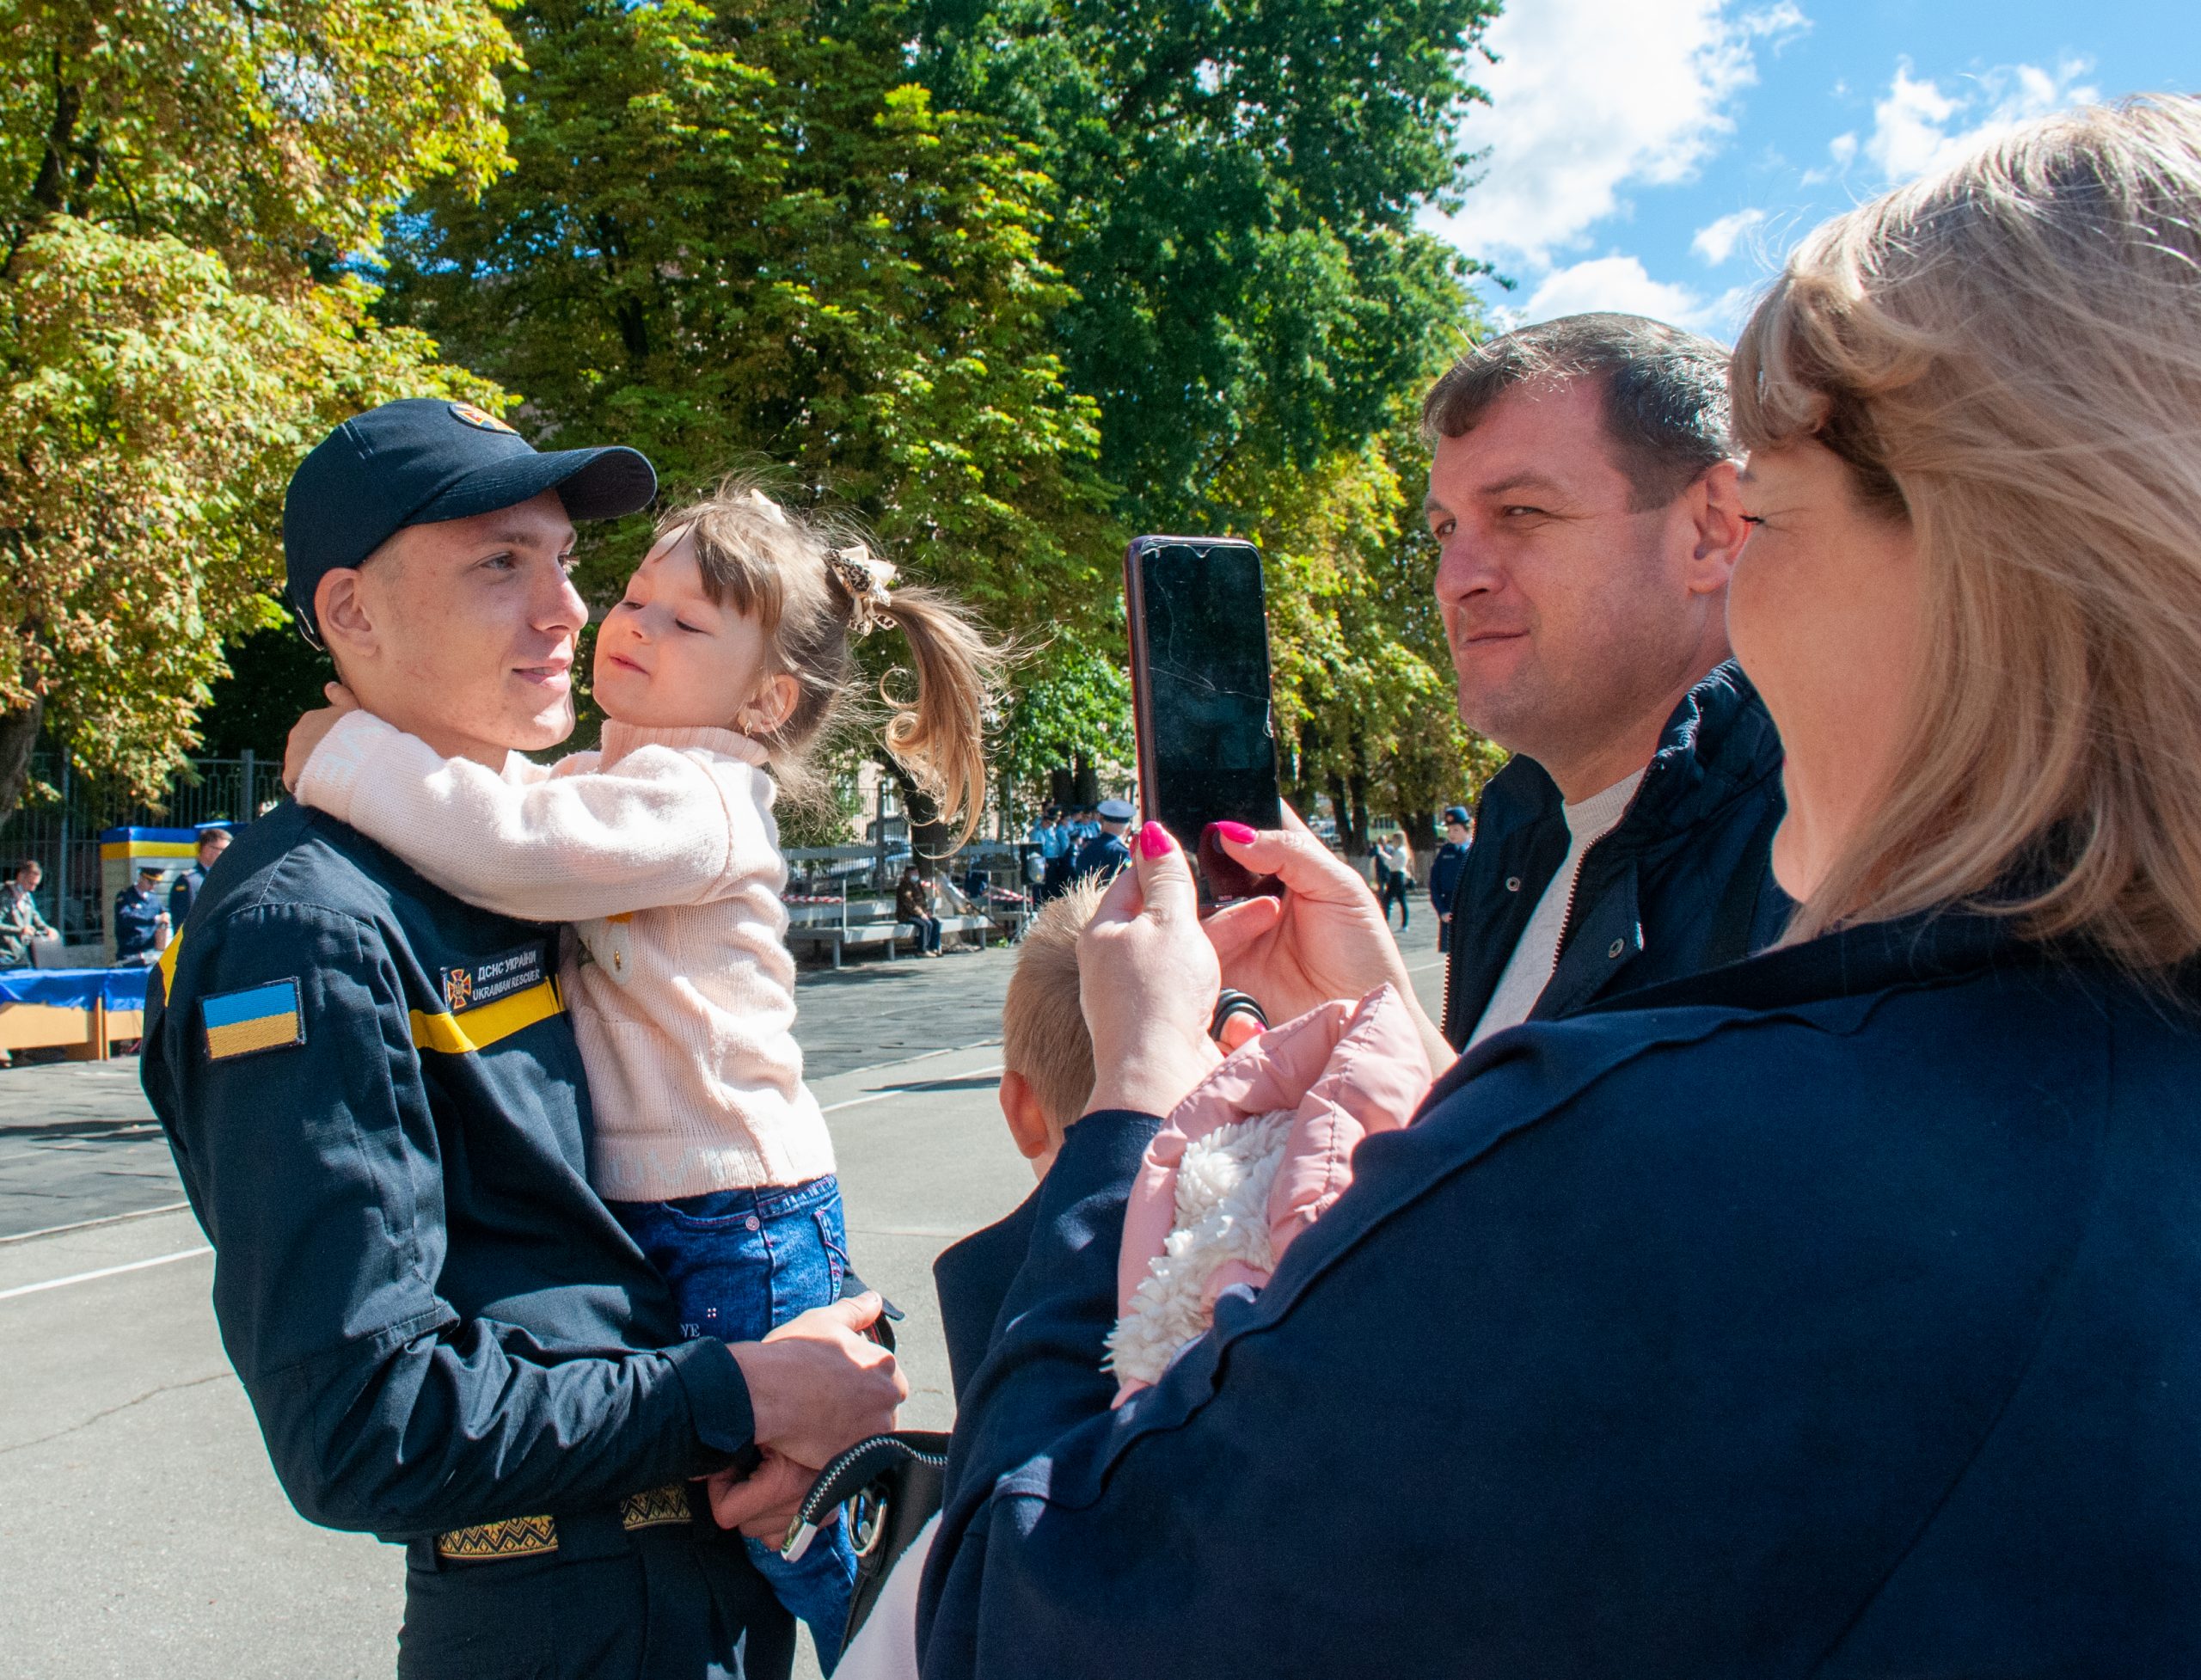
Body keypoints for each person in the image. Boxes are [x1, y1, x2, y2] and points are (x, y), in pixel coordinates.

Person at [918, 98, 2201, 1676]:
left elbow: (1031, 1610)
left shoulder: (1700, 1121)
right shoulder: (1530, 840)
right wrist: (1404, 1048)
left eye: (1775, 515)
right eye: (1444, 527)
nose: (1458, 571)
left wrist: (1123, 1108)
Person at [142, 399, 904, 1680]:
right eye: (501, 561)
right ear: (353, 615)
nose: (567, 610)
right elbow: (364, 1423)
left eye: (563, 559)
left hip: (700, 1572)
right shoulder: (307, 927)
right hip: (561, 1617)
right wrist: (747, 1391)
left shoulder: (525, 867)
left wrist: (815, 1365)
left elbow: (645, 1211)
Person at [283, 480, 997, 1668]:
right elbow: (513, 805)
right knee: (758, 1495)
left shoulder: (702, 797)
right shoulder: (625, 782)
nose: (628, 622)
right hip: (697, 1202)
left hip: (732, 1209)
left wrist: (346, 752)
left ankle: (930, 1637)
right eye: (635, 594)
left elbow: (504, 844)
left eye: (685, 622)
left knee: (800, 1516)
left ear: (767, 698)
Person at [1420, 313, 1787, 1051]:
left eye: (1521, 511)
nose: (1454, 581)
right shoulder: (1515, 835)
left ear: (1711, 528)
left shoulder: (1838, 864)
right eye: (1446, 530)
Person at [164, 825, 230, 926]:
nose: (227, 855)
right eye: (223, 850)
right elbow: (186, 923)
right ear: (207, 849)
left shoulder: (221, 879)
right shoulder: (189, 881)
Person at [1427, 806, 1472, 953]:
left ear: (1467, 829)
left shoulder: (1476, 851)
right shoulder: (1445, 853)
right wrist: (1442, 910)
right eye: (1449, 830)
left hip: (1471, 911)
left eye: (1456, 830)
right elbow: (1434, 884)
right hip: (1450, 910)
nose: (1451, 834)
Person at [0, 859, 56, 970]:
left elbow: (36, 917)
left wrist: (47, 928)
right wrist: (20, 930)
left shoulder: (27, 897)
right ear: (20, 877)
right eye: (30, 883)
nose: (32, 889)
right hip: (3, 955)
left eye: (36, 885)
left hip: (21, 955)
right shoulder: (5, 896)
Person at [112, 865, 169, 964]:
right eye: (150, 882)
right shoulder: (126, 896)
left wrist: (165, 917)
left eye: (156, 883)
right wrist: (154, 919)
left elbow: (163, 914)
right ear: (141, 878)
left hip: (150, 952)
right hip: (130, 953)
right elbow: (126, 917)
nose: (153, 886)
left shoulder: (153, 898)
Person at [1069, 798, 1133, 885]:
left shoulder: (1087, 849)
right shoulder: (1121, 853)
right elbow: (1128, 885)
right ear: (1128, 830)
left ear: (1102, 823)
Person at [898, 866, 945, 958]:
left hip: (918, 914)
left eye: (917, 873)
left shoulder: (917, 885)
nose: (917, 875)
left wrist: (927, 911)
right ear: (907, 874)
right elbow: (910, 904)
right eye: (914, 873)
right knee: (926, 924)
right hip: (906, 915)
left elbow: (922, 901)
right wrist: (921, 914)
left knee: (935, 923)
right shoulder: (904, 886)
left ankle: (933, 948)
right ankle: (922, 950)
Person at [1373, 832, 1412, 929]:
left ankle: (1386, 921)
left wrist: (1382, 854)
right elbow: (1392, 861)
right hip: (1399, 875)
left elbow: (1389, 862)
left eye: (1394, 839)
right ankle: (1404, 924)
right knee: (1402, 900)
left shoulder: (1399, 851)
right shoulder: (1402, 850)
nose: (1393, 841)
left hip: (1396, 876)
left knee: (1387, 899)